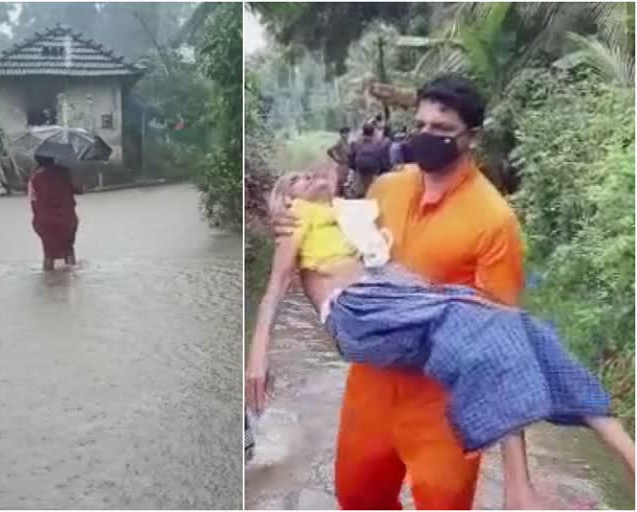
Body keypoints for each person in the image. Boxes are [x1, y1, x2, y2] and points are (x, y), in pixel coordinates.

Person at [249, 170, 635, 506]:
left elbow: (343, 186)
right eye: (297, 180)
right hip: (358, 312)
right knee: (481, 326)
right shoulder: (295, 222)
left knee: (518, 325)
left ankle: (624, 451)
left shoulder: (346, 214)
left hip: (390, 300)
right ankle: (520, 490)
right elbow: (275, 287)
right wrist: (258, 353)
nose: (308, 178)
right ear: (286, 199)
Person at [267, 74, 557, 509]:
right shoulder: (387, 189)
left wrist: (519, 481)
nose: (426, 138)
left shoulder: (494, 221)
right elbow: (331, 248)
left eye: (441, 131)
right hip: (370, 389)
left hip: (443, 408)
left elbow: (504, 348)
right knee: (357, 498)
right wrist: (288, 220)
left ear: (471, 137)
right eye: (420, 126)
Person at [28, 155, 82, 271]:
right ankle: (73, 276)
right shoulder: (63, 172)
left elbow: (33, 200)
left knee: (48, 253)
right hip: (67, 219)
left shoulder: (35, 178)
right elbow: (79, 189)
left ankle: (48, 282)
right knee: (69, 249)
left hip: (45, 221)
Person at [347, 123, 391, 199]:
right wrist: (384, 169)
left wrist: (354, 168)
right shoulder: (378, 143)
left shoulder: (357, 143)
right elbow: (382, 157)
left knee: (360, 192)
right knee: (372, 191)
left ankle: (360, 199)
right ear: (373, 132)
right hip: (373, 170)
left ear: (363, 131)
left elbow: (351, 157)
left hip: (360, 170)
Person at [326, 127, 352, 197]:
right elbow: (329, 150)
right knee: (341, 181)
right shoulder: (339, 142)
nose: (347, 135)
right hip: (342, 165)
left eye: (347, 133)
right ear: (341, 134)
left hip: (347, 164)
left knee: (346, 182)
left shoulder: (347, 143)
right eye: (345, 133)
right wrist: (336, 159)